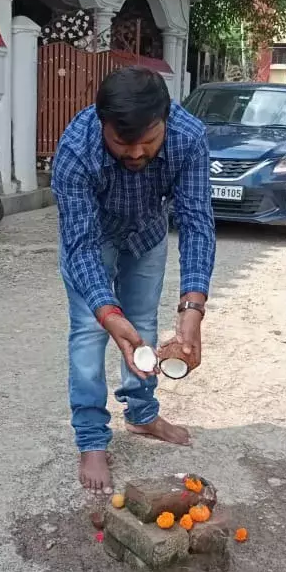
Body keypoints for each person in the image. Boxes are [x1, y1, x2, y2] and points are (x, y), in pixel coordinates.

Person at [52, 66, 216, 494]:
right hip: (93, 239)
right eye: (123, 143)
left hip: (147, 233)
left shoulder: (189, 138)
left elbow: (197, 222)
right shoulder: (75, 150)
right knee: (89, 333)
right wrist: (107, 312)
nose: (137, 153)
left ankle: (141, 415)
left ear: (166, 119)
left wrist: (193, 307)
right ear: (103, 123)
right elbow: (82, 246)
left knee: (142, 321)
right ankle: (91, 440)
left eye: (149, 141)